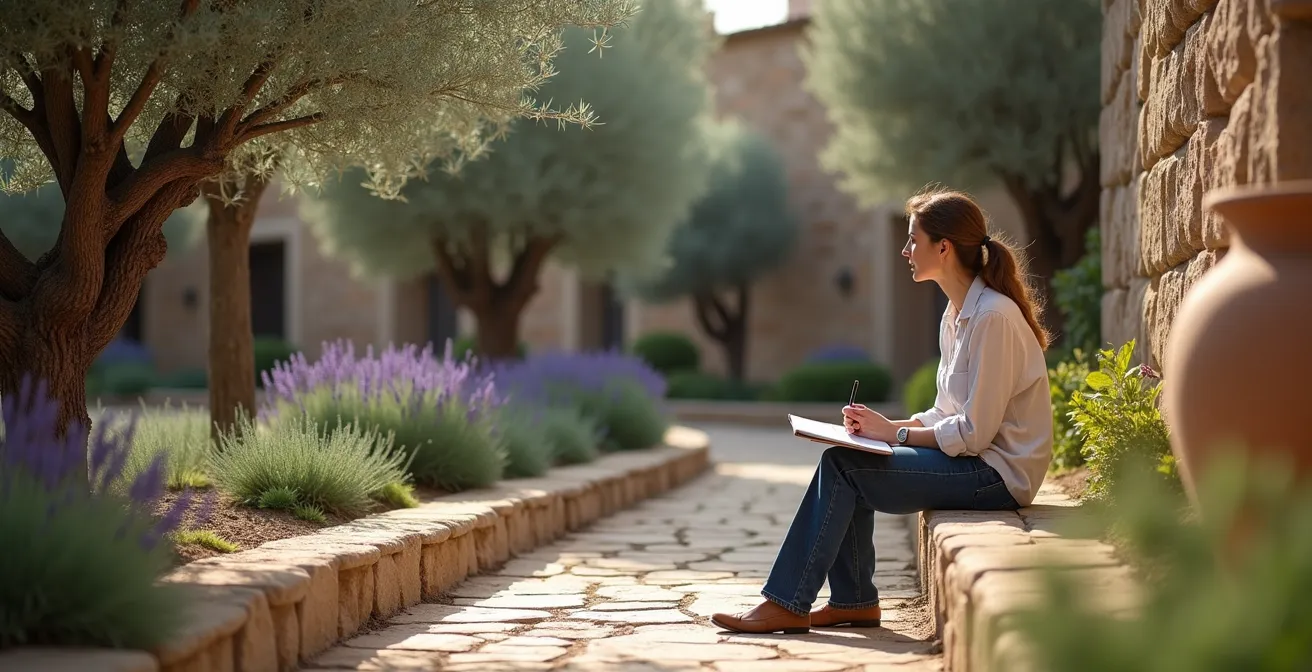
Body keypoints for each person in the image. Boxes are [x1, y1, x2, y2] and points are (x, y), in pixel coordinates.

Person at [711, 187, 1055, 635]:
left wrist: (895, 436)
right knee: (851, 456)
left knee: (844, 465)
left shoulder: (992, 317)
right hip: (974, 464)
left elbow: (974, 433)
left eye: (914, 240)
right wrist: (886, 427)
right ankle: (853, 602)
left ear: (944, 247)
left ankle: (789, 603)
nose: (905, 249)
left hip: (996, 476)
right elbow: (943, 413)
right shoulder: (956, 315)